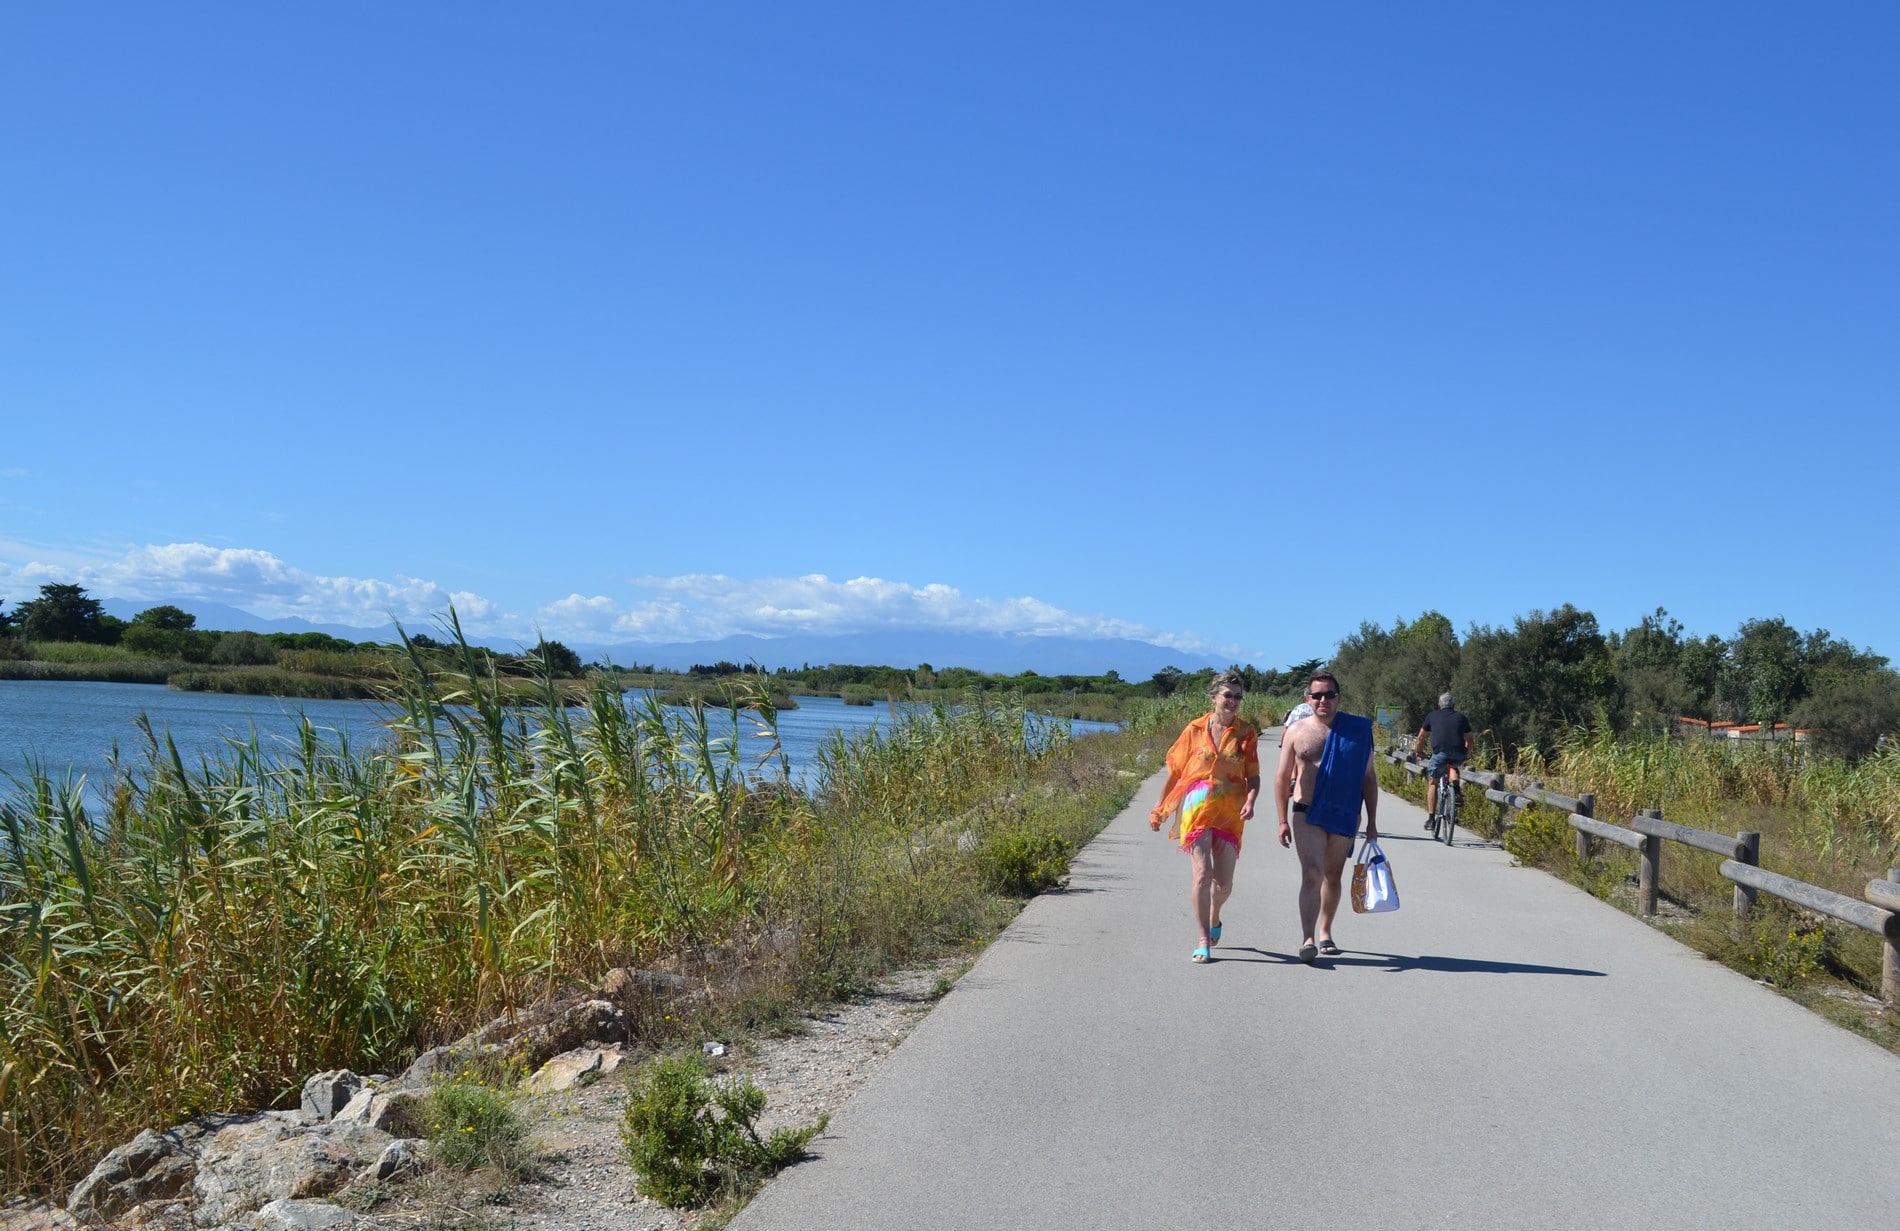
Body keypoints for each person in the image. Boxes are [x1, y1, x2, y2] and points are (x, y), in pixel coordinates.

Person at [1150, 671, 1261, 963]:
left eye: (1238, 696)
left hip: (1230, 811)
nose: (1233, 701)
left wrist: (1251, 800)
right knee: (1203, 873)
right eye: (1228, 695)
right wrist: (1159, 808)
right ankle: (1202, 940)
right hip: (1196, 807)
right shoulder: (1195, 729)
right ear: (1214, 697)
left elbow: (1254, 776)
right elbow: (1174, 771)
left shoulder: (1246, 732)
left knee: (1223, 884)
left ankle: (1215, 914)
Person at [1274, 671, 1379, 963]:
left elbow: (1368, 778)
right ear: (1308, 699)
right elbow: (1282, 779)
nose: (1323, 700)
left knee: (1332, 876)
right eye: (1317, 695)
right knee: (1312, 874)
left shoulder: (1358, 731)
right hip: (1306, 813)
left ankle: (1325, 931)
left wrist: (1371, 821)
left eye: (1329, 695)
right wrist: (1282, 819)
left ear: (1338, 698)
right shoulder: (1295, 731)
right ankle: (1307, 938)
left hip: (1345, 813)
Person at [1415, 692, 1473, 830]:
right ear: (1453, 705)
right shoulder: (1461, 717)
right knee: (1453, 766)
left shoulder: (1432, 716)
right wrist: (1468, 754)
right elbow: (1470, 739)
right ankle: (1456, 790)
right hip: (1458, 753)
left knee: (1433, 782)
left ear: (1439, 705)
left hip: (1439, 753)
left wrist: (1418, 751)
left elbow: (1421, 737)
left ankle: (1431, 819)